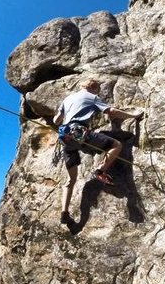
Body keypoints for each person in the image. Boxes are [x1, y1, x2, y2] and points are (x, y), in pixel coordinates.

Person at [53, 78, 143, 225]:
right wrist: (134, 116)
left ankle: (64, 213)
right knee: (116, 145)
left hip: (65, 138)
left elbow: (57, 120)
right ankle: (100, 170)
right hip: (78, 132)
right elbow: (111, 111)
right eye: (98, 91)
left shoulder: (68, 98)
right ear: (94, 88)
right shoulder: (91, 97)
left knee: (71, 180)